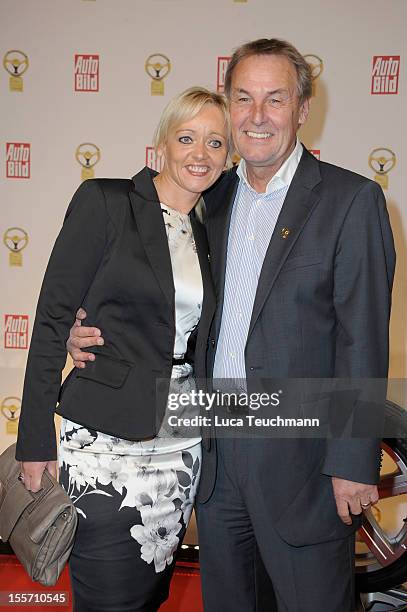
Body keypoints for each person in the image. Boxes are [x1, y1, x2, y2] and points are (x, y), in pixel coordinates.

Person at [67, 38, 396, 612]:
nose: (257, 115)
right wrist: (89, 330)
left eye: (275, 99)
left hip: (305, 464)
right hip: (213, 455)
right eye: (243, 98)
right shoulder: (209, 196)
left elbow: (361, 338)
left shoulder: (351, 200)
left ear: (303, 107)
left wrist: (351, 462)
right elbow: (163, 301)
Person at [15, 86, 230, 611]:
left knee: (149, 593)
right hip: (106, 444)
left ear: (230, 157)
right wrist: (35, 440)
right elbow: (50, 320)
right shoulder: (106, 202)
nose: (200, 154)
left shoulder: (213, 227)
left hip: (181, 441)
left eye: (216, 142)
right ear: (160, 144)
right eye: (187, 137)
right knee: (109, 595)